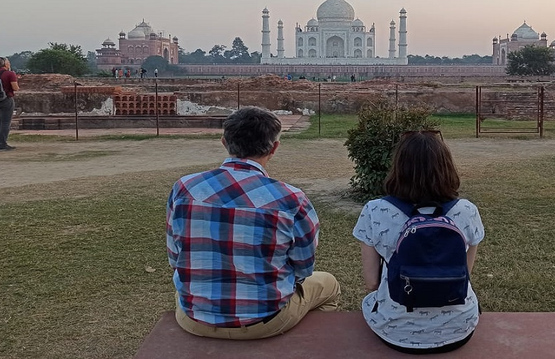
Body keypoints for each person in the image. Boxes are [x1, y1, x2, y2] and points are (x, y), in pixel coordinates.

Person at [167, 107, 340, 339]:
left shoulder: (184, 188)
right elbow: (303, 267)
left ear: (224, 142)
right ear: (273, 148)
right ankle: (308, 345)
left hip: (194, 317)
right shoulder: (291, 199)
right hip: (265, 319)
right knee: (329, 285)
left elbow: (175, 258)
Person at [353, 130, 485, 353]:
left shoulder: (374, 210)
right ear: (446, 167)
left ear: (398, 167)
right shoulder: (467, 210)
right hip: (459, 329)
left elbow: (372, 283)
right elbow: (465, 273)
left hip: (395, 331)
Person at [0, 56, 20, 151]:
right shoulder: (10, 74)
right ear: (5, 64)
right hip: (6, 99)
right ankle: (2, 143)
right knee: (5, 122)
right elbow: (15, 88)